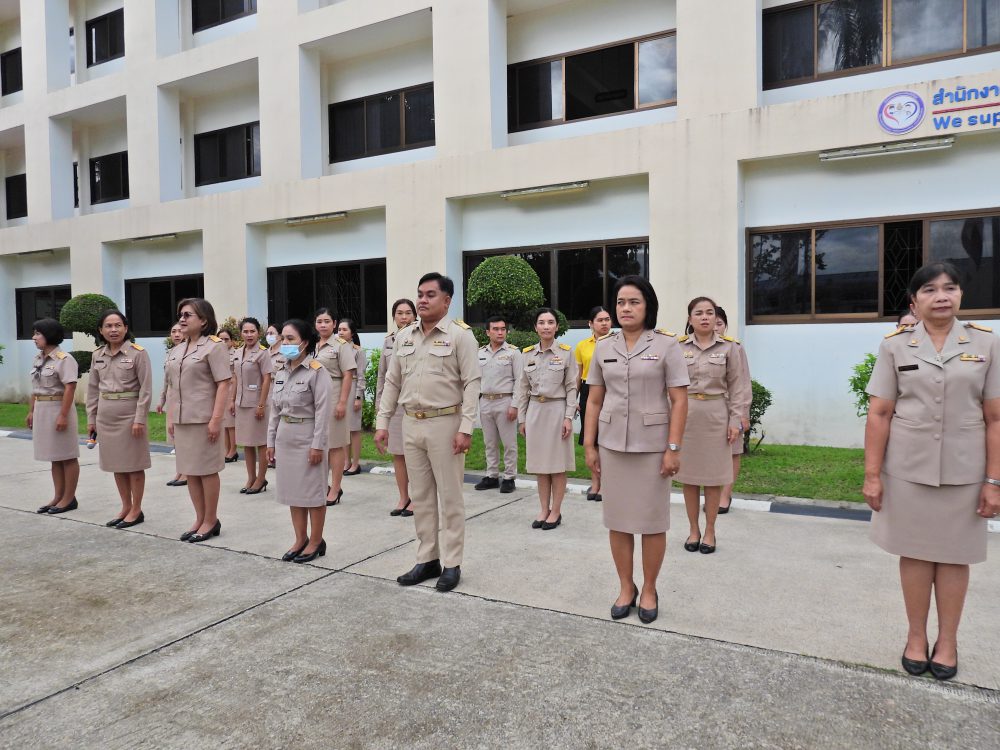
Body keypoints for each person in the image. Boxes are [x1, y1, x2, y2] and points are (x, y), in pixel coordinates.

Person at [863, 262, 1000, 682]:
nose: (941, 296)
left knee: (956, 557)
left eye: (950, 288)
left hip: (965, 471)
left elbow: (995, 418)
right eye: (930, 290)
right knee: (916, 554)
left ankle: (948, 641)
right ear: (914, 301)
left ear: (960, 295)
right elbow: (879, 413)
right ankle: (916, 636)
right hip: (908, 469)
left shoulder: (987, 343)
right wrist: (872, 475)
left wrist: (994, 481)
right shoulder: (895, 346)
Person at [584, 276, 689, 623]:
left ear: (648, 307)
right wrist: (589, 444)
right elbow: (594, 400)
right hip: (612, 446)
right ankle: (626, 587)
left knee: (652, 522)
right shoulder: (604, 347)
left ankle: (650, 589)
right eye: (620, 302)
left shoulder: (667, 345)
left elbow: (679, 399)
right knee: (618, 521)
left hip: (653, 449)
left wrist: (673, 447)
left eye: (634, 302)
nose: (625, 308)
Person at [375, 272, 480, 592]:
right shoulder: (405, 336)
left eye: (430, 295)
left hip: (445, 424)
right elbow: (392, 381)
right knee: (420, 497)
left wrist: (466, 427)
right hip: (411, 423)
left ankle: (452, 563)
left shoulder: (460, 336)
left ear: (446, 301)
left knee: (450, 497)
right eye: (420, 294)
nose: (422, 300)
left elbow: (472, 382)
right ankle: (427, 558)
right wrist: (382, 422)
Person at [675, 297, 751, 554]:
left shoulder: (731, 347)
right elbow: (669, 387)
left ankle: (709, 530)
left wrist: (736, 420)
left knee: (712, 478)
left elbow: (738, 387)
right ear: (690, 319)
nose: (705, 317)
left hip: (717, 415)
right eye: (699, 313)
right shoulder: (678, 347)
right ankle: (693, 529)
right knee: (688, 478)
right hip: (687, 416)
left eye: (709, 313)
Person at [166, 298, 232, 543]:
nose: (182, 319)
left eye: (188, 315)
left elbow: (223, 383)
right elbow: (173, 387)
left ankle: (211, 520)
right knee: (190, 471)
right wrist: (171, 417)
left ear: (203, 321)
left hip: (204, 419)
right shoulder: (177, 349)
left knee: (206, 471)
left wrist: (216, 419)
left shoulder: (214, 347)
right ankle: (199, 518)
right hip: (182, 419)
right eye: (180, 315)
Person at [267, 319, 332, 563]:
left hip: (308, 437)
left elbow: (323, 412)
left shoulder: (317, 371)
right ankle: (300, 538)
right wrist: (270, 441)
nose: (285, 343)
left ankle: (316, 540)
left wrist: (317, 445)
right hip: (285, 438)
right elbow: (275, 410)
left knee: (313, 493)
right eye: (283, 338)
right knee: (293, 492)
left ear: (304, 342)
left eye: (290, 338)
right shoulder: (281, 371)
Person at [86, 310, 153, 528]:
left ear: (125, 328)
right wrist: (91, 418)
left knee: (134, 464)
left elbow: (146, 389)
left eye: (118, 325)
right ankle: (125, 506)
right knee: (117, 464)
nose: (113, 330)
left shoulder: (138, 353)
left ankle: (137, 509)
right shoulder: (97, 355)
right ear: (101, 330)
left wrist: (140, 419)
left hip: (130, 415)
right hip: (106, 416)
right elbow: (92, 389)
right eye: (108, 326)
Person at [516, 308, 577, 530]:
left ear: (557, 327)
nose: (546, 326)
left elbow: (572, 387)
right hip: (535, 411)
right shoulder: (527, 354)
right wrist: (522, 419)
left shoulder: (566, 353)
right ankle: (543, 509)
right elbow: (522, 388)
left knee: (557, 465)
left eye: (550, 322)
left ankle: (556, 511)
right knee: (540, 466)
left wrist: (568, 417)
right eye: (541, 322)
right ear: (535, 327)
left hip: (557, 411)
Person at [28, 318, 81, 515]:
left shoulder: (64, 359)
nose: (34, 338)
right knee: (55, 456)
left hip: (58, 408)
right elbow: (35, 388)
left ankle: (69, 498)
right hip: (42, 409)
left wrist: (63, 415)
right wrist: (31, 411)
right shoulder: (38, 358)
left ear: (49, 335)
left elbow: (70, 387)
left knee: (67, 455)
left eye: (38, 334)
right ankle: (58, 496)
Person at [377, 298, 417, 516]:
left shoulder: (421, 337)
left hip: (415, 404)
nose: (404, 317)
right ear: (394, 317)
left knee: (416, 455)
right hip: (394, 406)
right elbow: (382, 376)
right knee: (398, 454)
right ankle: (403, 497)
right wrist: (380, 407)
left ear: (415, 315)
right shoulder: (389, 341)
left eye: (408, 313)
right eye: (400, 313)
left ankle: (417, 498)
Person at [475, 315, 523, 494]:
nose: (500, 332)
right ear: (488, 332)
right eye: (495, 329)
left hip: (505, 401)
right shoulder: (480, 353)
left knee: (509, 443)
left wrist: (515, 405)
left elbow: (520, 381)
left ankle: (509, 477)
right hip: (485, 401)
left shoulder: (513, 353)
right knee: (490, 442)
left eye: (503, 329)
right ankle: (492, 476)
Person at [314, 308, 356, 505]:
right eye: (319, 321)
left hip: (333, 396)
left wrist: (342, 402)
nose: (323, 325)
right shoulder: (312, 345)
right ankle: (323, 485)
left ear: (334, 324)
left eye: (327, 321)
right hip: (315, 399)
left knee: (335, 444)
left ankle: (336, 488)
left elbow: (348, 374)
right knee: (320, 444)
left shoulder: (341, 345)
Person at [714, 306, 751, 514]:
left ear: (725, 326)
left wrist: (743, 414)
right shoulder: (686, 347)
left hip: (731, 408)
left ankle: (725, 495)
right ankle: (712, 493)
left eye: (719, 323)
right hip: (705, 412)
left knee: (733, 452)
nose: (715, 327)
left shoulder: (734, 347)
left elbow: (743, 382)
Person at [575, 306, 613, 501]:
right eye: (600, 320)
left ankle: (607, 484)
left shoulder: (618, 342)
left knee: (607, 438)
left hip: (611, 390)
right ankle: (595, 482)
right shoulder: (582, 346)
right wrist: (573, 400)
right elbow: (578, 375)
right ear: (591, 324)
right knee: (591, 438)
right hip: (588, 390)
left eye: (607, 319)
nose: (604, 323)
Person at [231, 317, 272, 494]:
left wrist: (261, 405)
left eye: (252, 331)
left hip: (257, 404)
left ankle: (261, 478)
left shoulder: (263, 353)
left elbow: (267, 379)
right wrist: (232, 400)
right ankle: (251, 477)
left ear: (258, 333)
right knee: (247, 443)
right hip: (241, 403)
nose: (249, 335)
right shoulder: (238, 352)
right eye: (245, 331)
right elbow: (235, 378)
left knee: (260, 442)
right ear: (241, 333)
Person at [158, 321, 187, 487]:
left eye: (180, 331)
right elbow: (166, 379)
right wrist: (162, 399)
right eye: (173, 331)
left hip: (184, 397)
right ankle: (180, 471)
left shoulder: (188, 351)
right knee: (174, 435)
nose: (176, 334)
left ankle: (187, 472)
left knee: (184, 437)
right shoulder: (170, 352)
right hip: (172, 397)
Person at [339, 318, 366, 476]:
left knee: (354, 429)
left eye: (344, 330)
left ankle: (355, 463)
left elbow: (361, 376)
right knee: (343, 428)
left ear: (352, 333)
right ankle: (346, 461)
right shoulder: (336, 349)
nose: (341, 332)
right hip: (340, 388)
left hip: (353, 388)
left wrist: (358, 397)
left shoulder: (358, 351)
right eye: (339, 330)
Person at [217, 329, 239, 463]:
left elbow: (236, 377)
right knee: (224, 423)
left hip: (231, 390)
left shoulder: (236, 355)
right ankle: (226, 449)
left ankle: (233, 450)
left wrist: (232, 399)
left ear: (232, 341)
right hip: (221, 391)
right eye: (221, 339)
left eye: (226, 339)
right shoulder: (216, 354)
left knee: (231, 424)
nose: (224, 342)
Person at [264, 323, 283, 470]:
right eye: (267, 333)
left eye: (272, 333)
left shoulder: (285, 352)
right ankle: (271, 456)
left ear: (280, 336)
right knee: (269, 425)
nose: (269, 336)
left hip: (280, 388)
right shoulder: (265, 352)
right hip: (267, 389)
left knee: (279, 424)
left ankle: (279, 456)